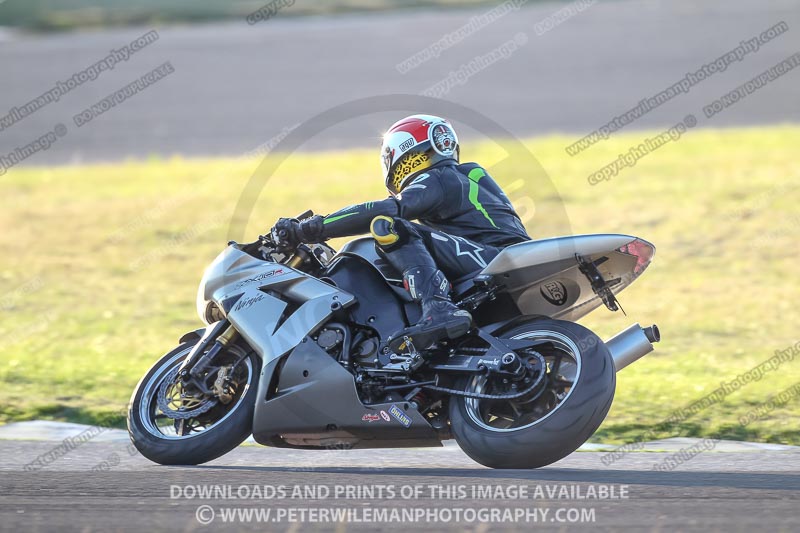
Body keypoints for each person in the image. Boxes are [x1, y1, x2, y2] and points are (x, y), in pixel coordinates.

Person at [274, 114, 530, 352]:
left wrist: (311, 229)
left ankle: (438, 307)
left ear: (402, 154)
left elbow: (389, 209)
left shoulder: (439, 177)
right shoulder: (462, 179)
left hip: (492, 257)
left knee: (390, 225)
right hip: (499, 256)